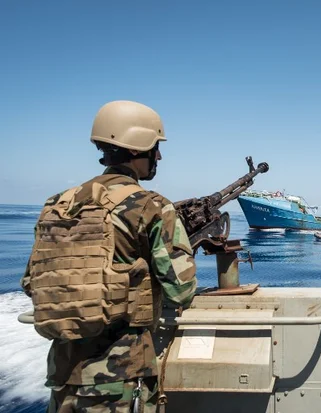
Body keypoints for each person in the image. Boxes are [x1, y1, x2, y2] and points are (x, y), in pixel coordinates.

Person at [20, 100, 198, 412]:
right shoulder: (151, 206)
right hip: (121, 379)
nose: (158, 156)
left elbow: (32, 282)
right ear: (137, 147)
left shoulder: (57, 204)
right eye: (155, 147)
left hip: (62, 376)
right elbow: (181, 290)